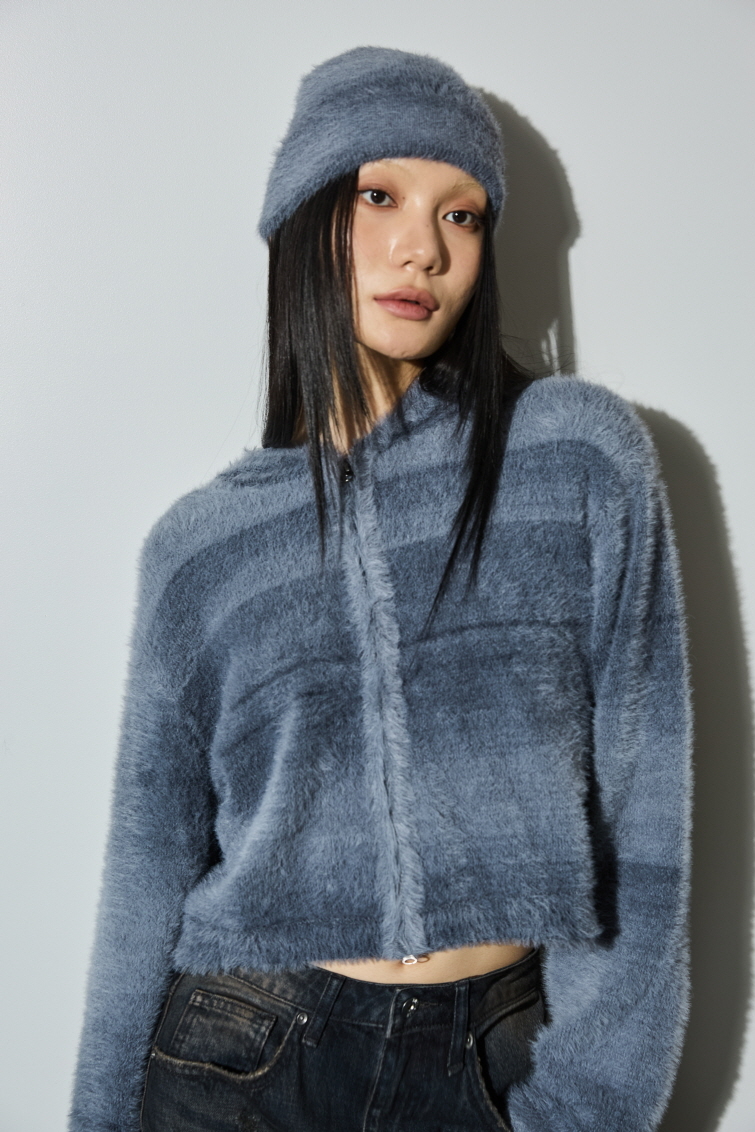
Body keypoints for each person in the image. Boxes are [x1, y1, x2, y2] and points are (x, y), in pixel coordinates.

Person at [68, 47, 692, 1132]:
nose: (423, 248)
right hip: (238, 1057)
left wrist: (589, 1106)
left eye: (461, 215)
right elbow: (144, 875)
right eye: (378, 196)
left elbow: (645, 812)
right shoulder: (200, 547)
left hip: (486, 1058)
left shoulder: (575, 458)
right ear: (305, 219)